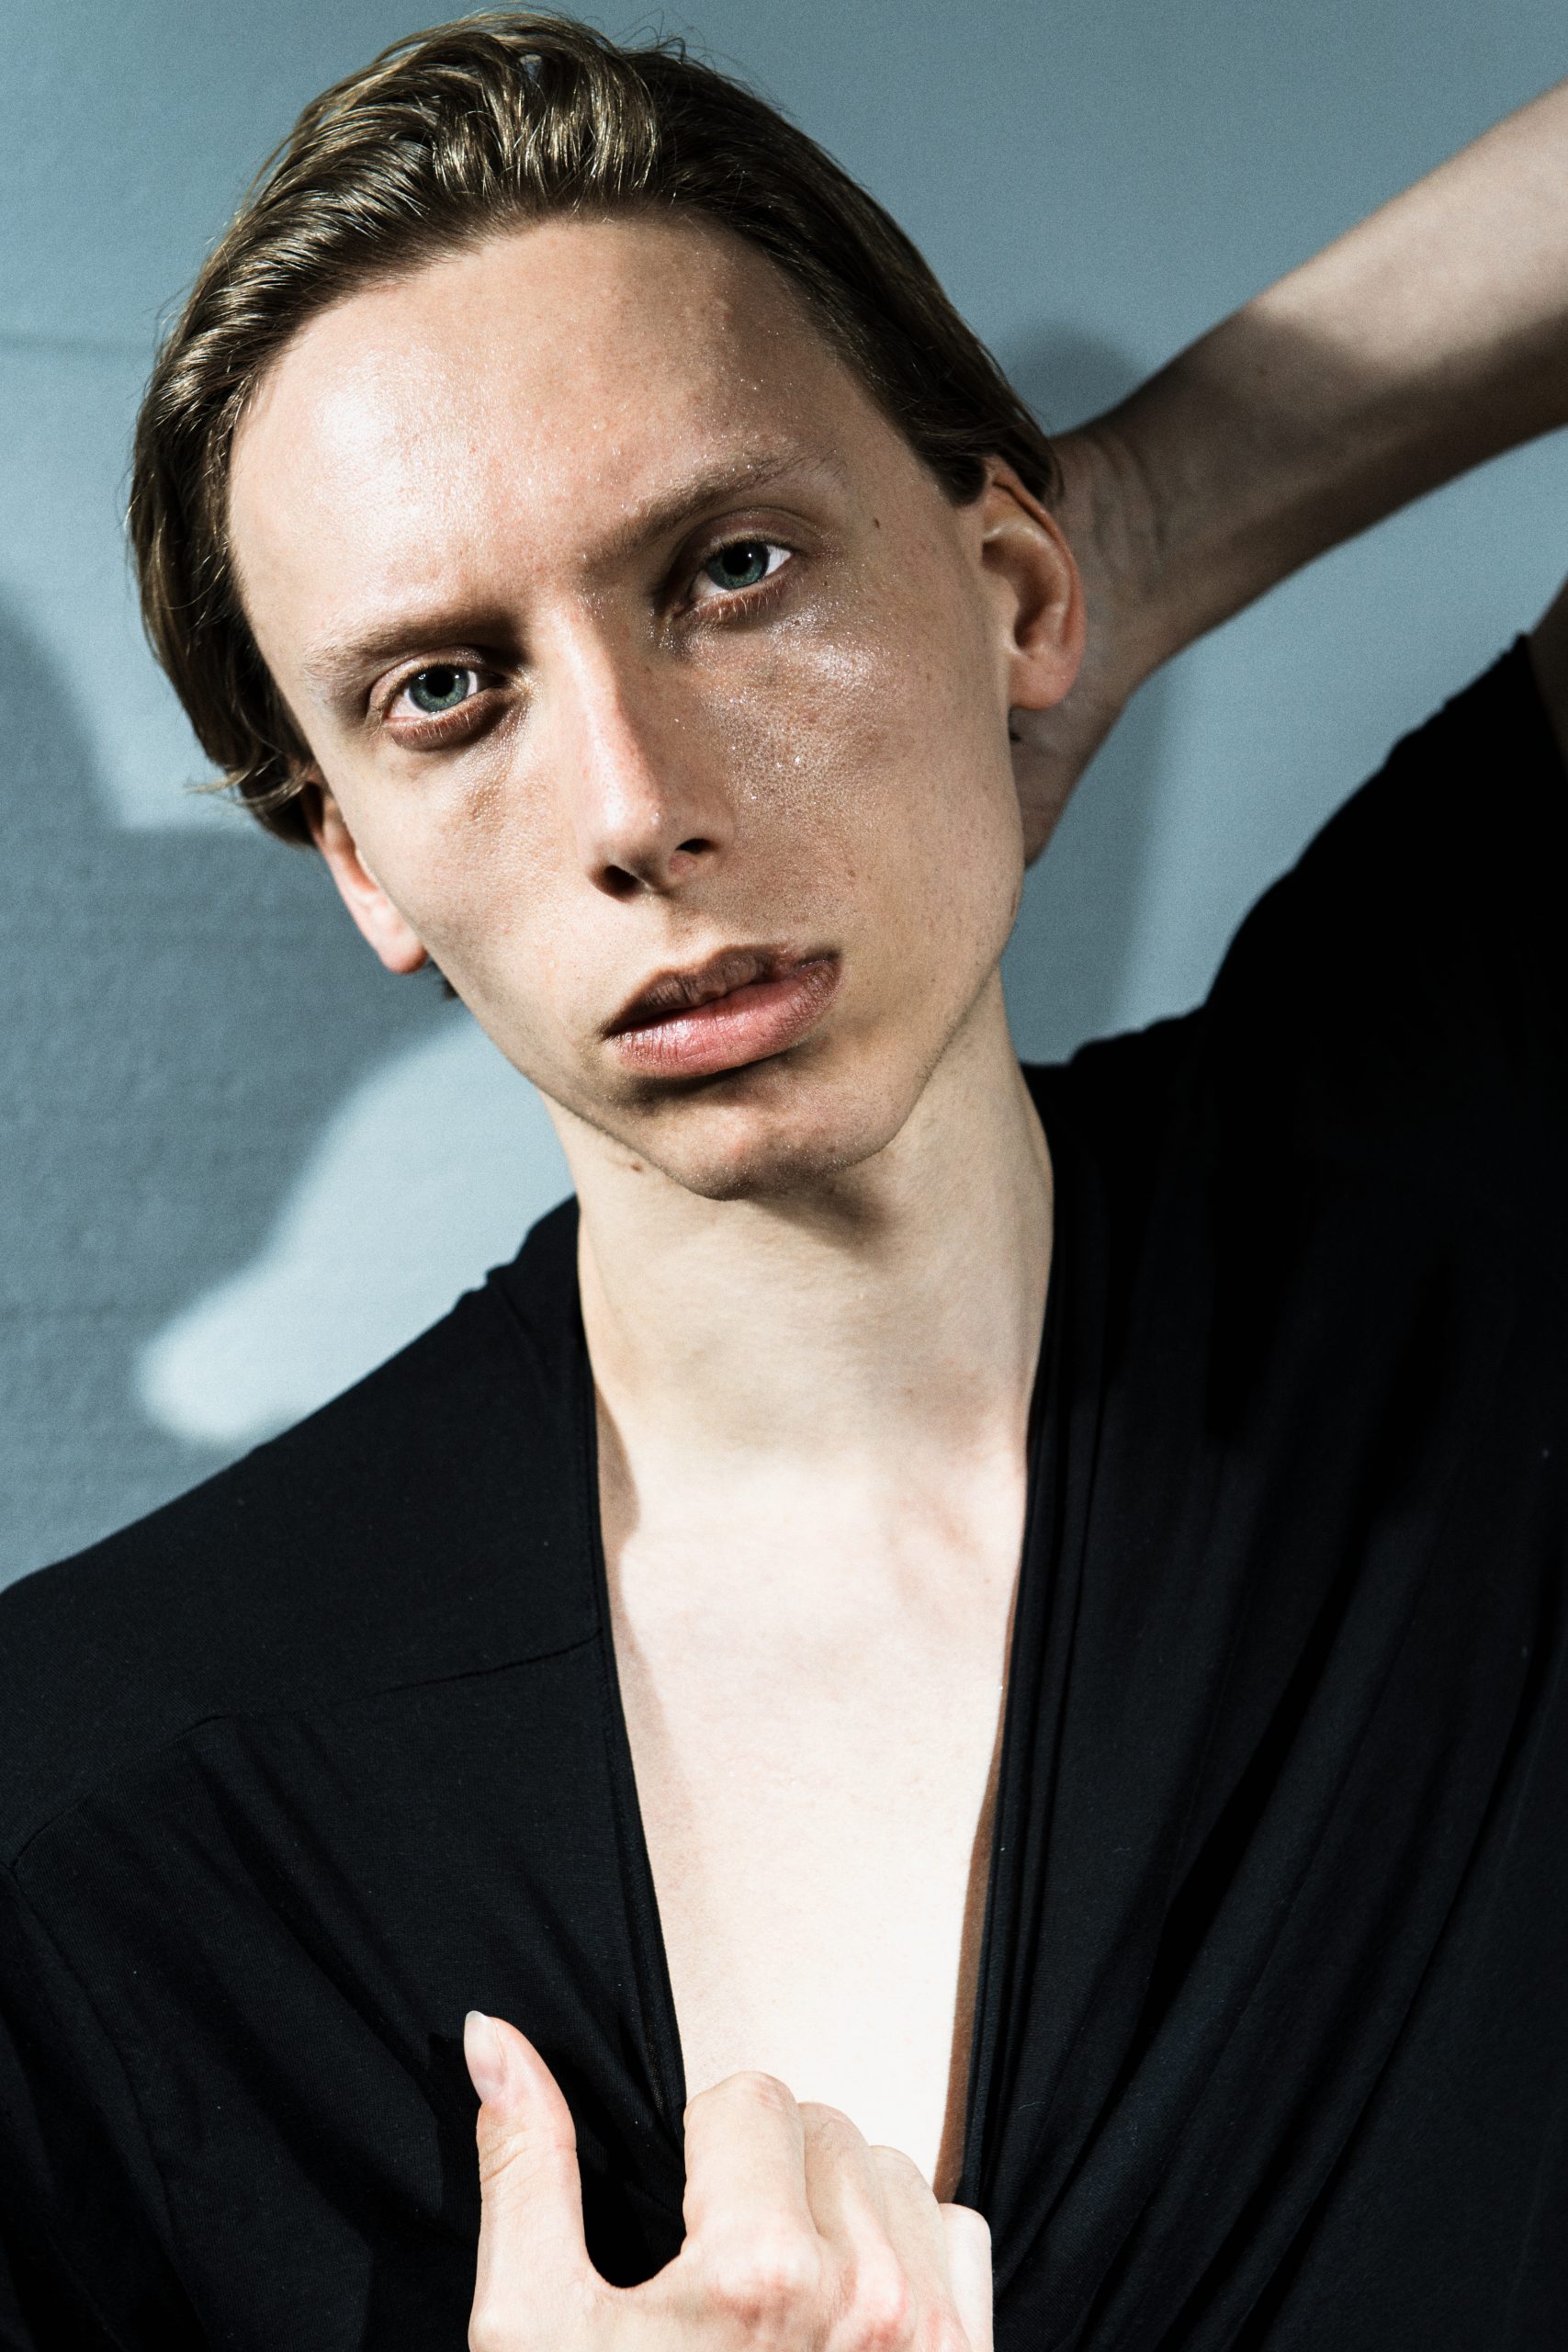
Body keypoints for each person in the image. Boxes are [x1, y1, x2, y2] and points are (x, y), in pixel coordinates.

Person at [0, 15, 1563, 2347]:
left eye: (731, 568)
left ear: (1006, 585)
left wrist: (1140, 524)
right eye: (446, 690)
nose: (635, 799)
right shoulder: (94, 1826)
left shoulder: (1446, 1194)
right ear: (360, 862)